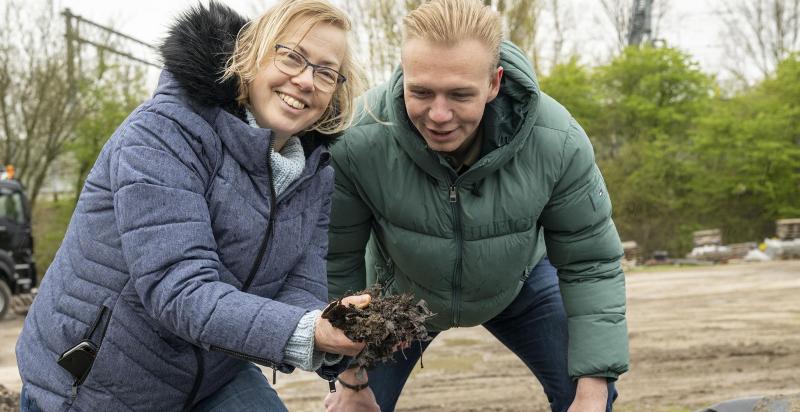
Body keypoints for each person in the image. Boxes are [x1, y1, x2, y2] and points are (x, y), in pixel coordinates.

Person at [16, 1, 368, 410]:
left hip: (212, 373)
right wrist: (308, 331)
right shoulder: (162, 132)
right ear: (250, 57)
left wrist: (329, 325)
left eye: (326, 72)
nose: (306, 80)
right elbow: (179, 289)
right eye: (291, 56)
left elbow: (300, 286)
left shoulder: (314, 172)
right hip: (99, 381)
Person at [323, 0, 629, 411]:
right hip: (399, 292)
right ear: (402, 76)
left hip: (517, 284)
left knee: (592, 396)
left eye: (460, 95)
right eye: (421, 92)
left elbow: (591, 263)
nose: (439, 114)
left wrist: (593, 395)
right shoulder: (359, 139)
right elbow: (336, 258)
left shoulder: (558, 142)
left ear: (493, 84)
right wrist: (350, 380)